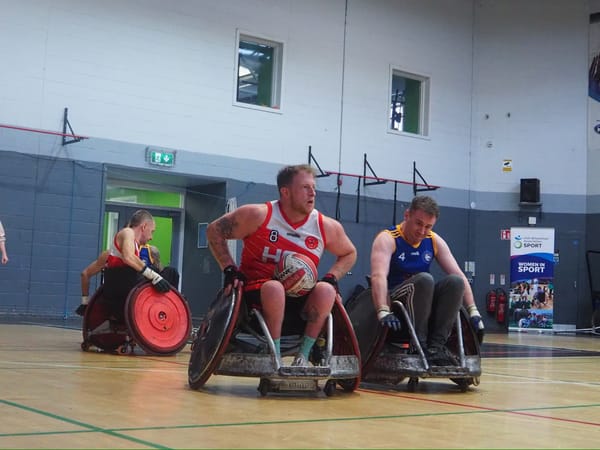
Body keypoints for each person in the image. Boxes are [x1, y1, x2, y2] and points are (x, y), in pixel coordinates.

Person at [206, 164, 357, 366]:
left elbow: (349, 252)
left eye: (313, 187)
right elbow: (214, 230)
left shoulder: (325, 226)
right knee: (274, 287)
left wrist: (332, 277)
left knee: (326, 290)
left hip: (300, 301)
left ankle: (303, 355)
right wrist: (229, 269)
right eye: (305, 187)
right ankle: (274, 354)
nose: (312, 192)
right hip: (255, 297)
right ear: (285, 192)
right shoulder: (258, 215)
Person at [369, 195, 484, 366]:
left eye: (428, 226)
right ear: (407, 215)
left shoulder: (434, 240)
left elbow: (458, 274)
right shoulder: (387, 238)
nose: (422, 231)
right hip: (395, 303)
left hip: (423, 300)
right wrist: (383, 310)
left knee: (455, 282)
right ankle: (419, 345)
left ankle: (435, 348)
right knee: (424, 279)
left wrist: (473, 312)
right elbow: (378, 276)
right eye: (418, 224)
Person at [77, 209, 170, 320]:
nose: (151, 237)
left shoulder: (109, 254)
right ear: (144, 226)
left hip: (115, 294)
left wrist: (85, 303)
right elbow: (128, 257)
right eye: (152, 231)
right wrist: (155, 277)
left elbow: (85, 274)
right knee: (170, 273)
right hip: (126, 293)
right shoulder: (128, 232)